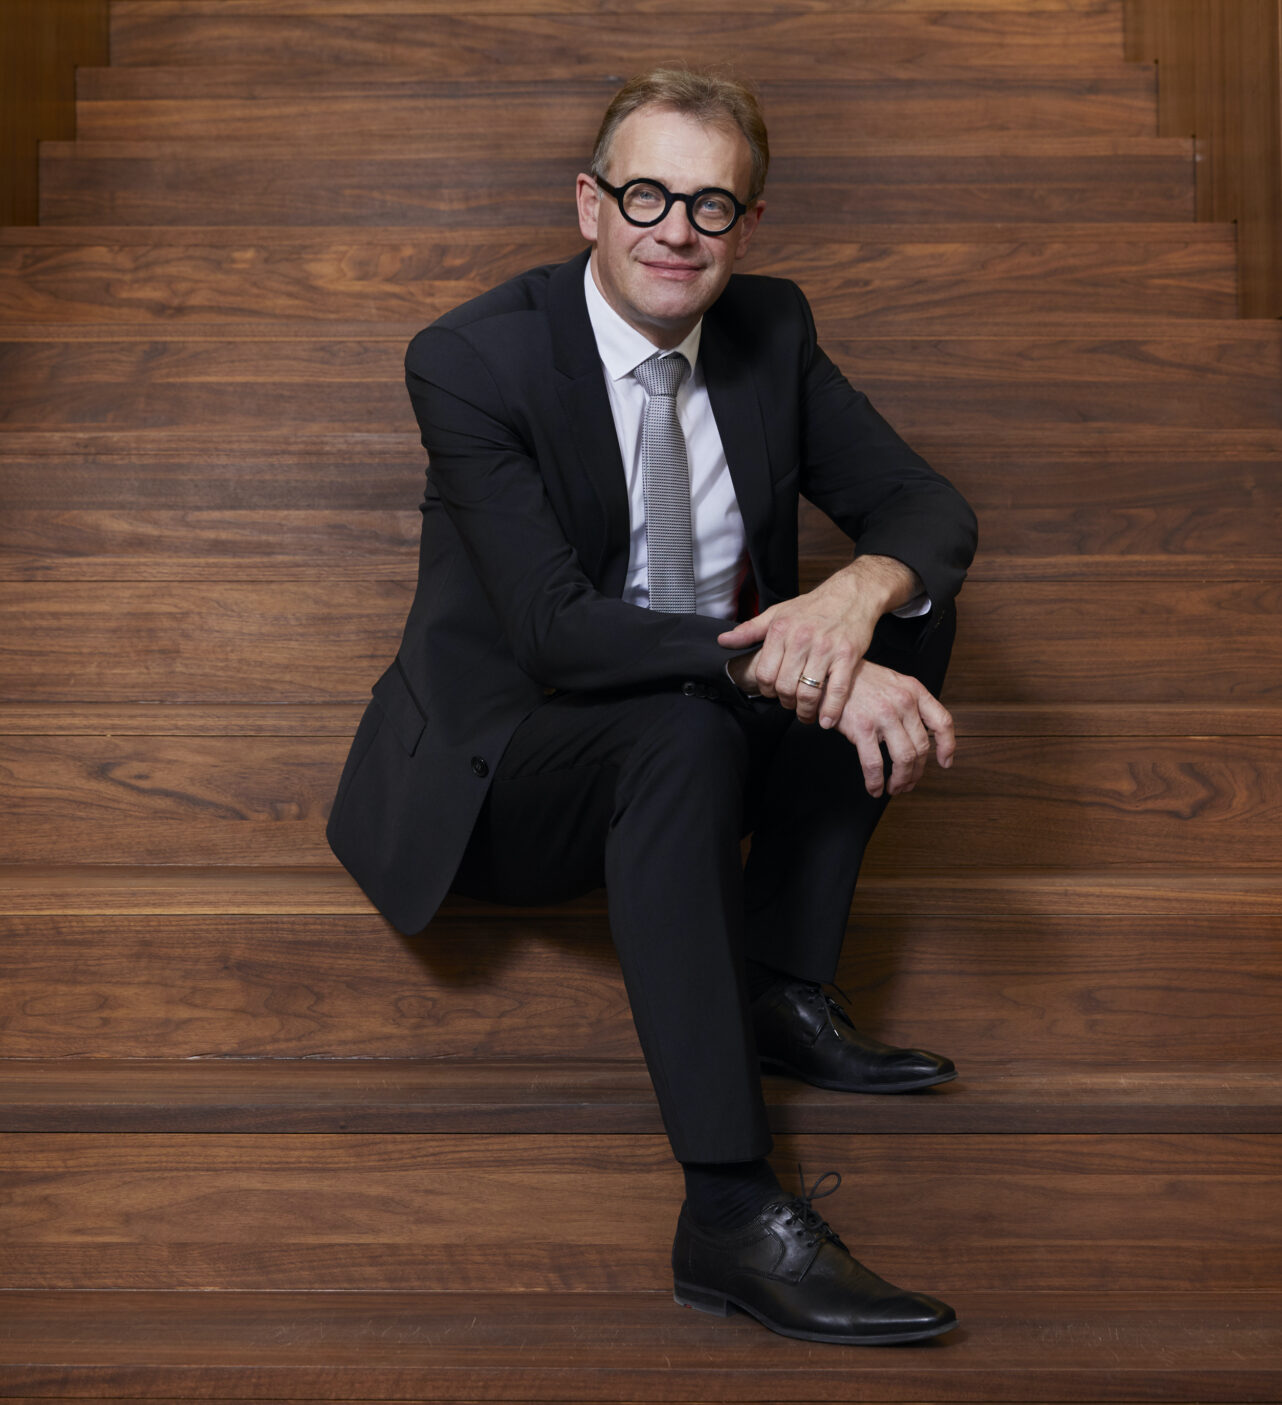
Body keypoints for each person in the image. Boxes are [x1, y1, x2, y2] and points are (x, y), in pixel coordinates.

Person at [327, 68, 978, 1346]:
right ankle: (729, 1209)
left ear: (747, 225)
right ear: (590, 204)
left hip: (700, 721)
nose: (675, 230)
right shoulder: (473, 359)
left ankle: (777, 984)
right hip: (512, 764)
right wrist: (780, 655)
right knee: (687, 720)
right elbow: (552, 627)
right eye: (645, 196)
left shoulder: (770, 330)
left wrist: (854, 597)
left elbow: (925, 507)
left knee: (903, 610)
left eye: (710, 205)